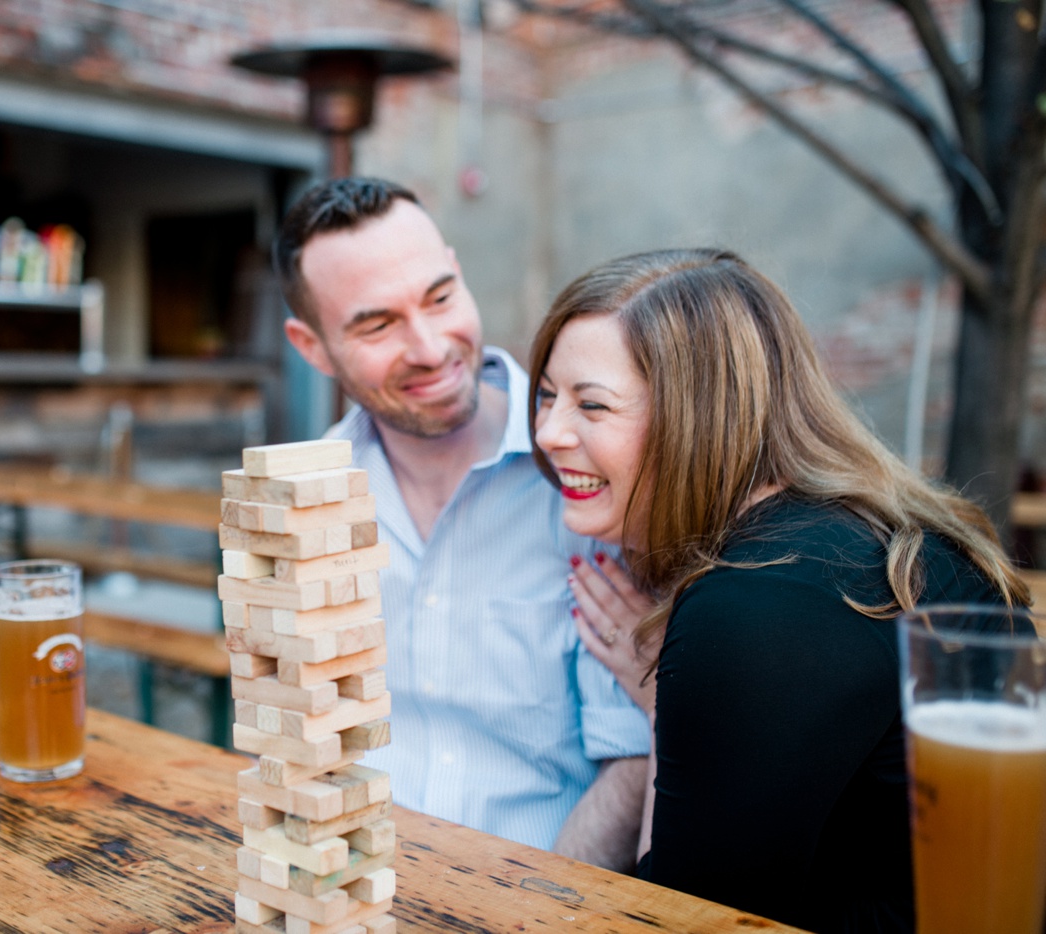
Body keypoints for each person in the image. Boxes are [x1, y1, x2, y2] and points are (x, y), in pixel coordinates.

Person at [529, 248, 1031, 932]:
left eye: (592, 404)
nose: (549, 432)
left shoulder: (753, 606)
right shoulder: (875, 531)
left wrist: (658, 706)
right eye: (547, 395)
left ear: (698, 416)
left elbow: (674, 920)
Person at [273, 177, 649, 865]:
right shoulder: (306, 496)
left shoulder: (589, 483)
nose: (429, 346)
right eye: (377, 323)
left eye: (440, 297)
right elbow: (300, 741)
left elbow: (633, 759)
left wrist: (533, 915)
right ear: (313, 347)